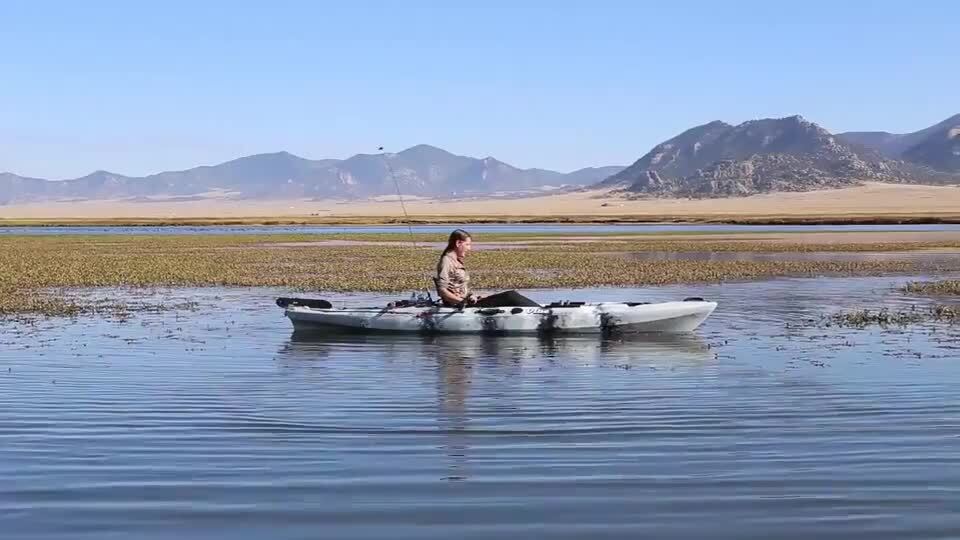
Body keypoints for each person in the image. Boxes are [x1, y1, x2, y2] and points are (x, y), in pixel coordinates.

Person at [434, 229, 540, 308]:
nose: (469, 248)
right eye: (467, 244)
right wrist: (462, 301)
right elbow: (443, 290)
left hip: (468, 300)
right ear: (458, 243)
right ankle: (542, 312)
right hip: (460, 305)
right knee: (510, 296)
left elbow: (458, 287)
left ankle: (539, 309)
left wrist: (472, 296)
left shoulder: (456, 260)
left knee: (499, 295)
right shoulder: (446, 261)